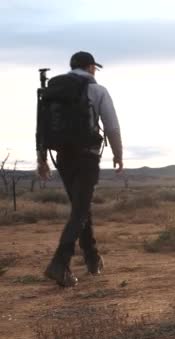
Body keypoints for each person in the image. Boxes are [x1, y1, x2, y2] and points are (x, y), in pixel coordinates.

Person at [38, 51, 123, 287]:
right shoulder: (97, 90)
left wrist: (41, 158)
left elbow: (41, 126)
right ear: (89, 67)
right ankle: (59, 263)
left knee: (81, 207)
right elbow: (112, 126)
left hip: (62, 156)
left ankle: (92, 259)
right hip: (87, 156)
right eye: (94, 67)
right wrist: (118, 154)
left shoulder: (53, 91)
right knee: (80, 210)